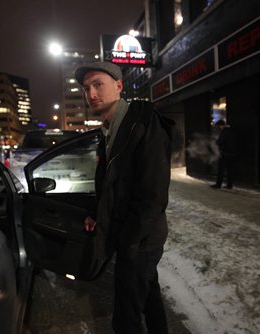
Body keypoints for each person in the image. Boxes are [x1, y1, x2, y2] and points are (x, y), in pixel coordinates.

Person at [75, 61, 173, 334]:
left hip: (140, 238)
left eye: (98, 85)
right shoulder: (107, 131)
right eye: (86, 88)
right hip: (130, 236)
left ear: (118, 86)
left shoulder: (142, 121)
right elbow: (109, 184)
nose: (91, 94)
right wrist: (96, 213)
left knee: (125, 317)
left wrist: (130, 240)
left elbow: (152, 194)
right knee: (149, 296)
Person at [211, 119, 237, 189]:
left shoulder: (224, 132)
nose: (218, 128)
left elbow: (220, 142)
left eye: (218, 127)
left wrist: (216, 141)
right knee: (230, 170)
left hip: (224, 154)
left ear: (220, 126)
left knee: (221, 170)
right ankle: (229, 185)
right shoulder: (232, 131)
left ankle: (218, 184)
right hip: (232, 154)